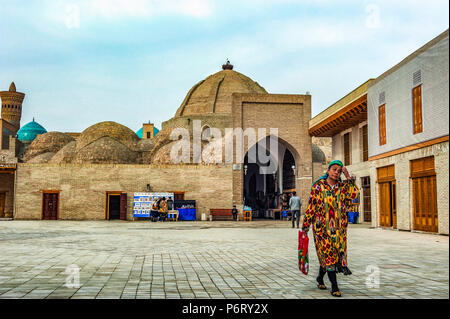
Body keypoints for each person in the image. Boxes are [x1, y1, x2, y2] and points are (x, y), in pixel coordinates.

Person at [301, 160, 359, 297]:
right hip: (322, 229)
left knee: (332, 255)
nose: (336, 172)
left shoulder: (342, 187)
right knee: (329, 255)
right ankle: (334, 287)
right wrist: (306, 225)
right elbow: (311, 207)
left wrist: (348, 177)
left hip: (339, 230)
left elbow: (355, 195)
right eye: (334, 169)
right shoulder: (318, 187)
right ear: (328, 170)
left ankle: (320, 278)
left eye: (339, 171)